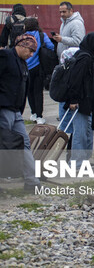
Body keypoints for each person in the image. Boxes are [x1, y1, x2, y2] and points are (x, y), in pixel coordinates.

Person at [0, 34, 40, 192]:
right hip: (3, 108)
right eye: (30, 51)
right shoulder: (5, 56)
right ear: (22, 45)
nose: (31, 55)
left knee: (24, 143)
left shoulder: (23, 63)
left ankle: (32, 181)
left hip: (16, 112)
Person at [65, 32, 94, 163]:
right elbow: (75, 80)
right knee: (81, 133)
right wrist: (74, 100)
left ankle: (82, 160)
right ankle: (76, 162)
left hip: (85, 101)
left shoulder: (83, 56)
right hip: (81, 102)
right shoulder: (85, 59)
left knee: (86, 131)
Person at [24, 17, 55, 125]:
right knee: (38, 92)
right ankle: (39, 116)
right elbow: (51, 46)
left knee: (29, 91)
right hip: (38, 67)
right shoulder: (41, 35)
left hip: (26, 68)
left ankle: (33, 113)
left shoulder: (23, 37)